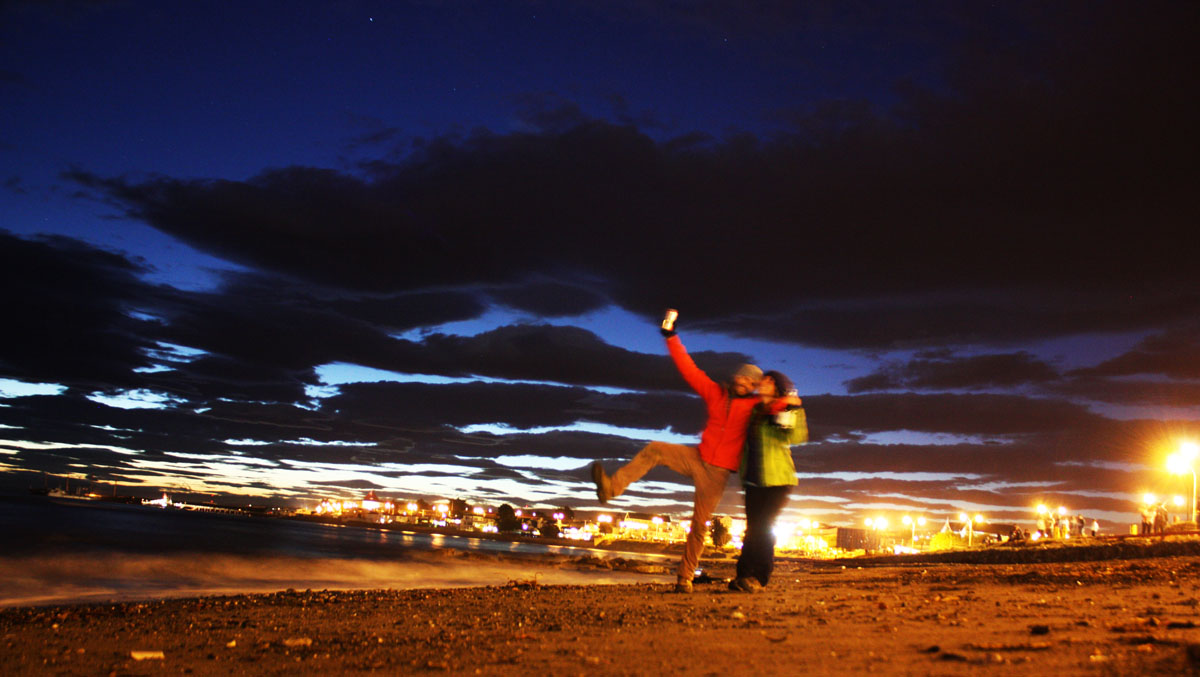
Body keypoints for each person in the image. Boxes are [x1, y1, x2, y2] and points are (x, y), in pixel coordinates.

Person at [590, 311, 785, 593]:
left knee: (699, 525)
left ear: (754, 388)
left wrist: (790, 400)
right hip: (696, 457)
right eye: (743, 378)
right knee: (655, 449)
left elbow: (775, 404)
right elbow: (688, 368)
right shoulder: (715, 393)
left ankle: (685, 578)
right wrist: (671, 336)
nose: (745, 384)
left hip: (717, 473)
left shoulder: (754, 407)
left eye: (751, 383)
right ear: (736, 377)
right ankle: (611, 488)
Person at [729, 370, 807, 592]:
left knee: (763, 526)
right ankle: (742, 576)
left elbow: (796, 437)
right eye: (764, 379)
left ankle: (760, 577)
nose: (765, 382)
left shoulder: (787, 408)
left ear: (778, 388)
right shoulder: (754, 411)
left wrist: (787, 409)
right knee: (752, 527)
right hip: (753, 479)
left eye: (771, 381)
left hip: (778, 479)